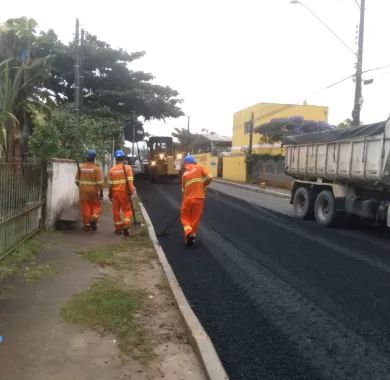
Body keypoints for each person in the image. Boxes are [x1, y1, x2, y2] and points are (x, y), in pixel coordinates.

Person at [180, 154, 213, 246]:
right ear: (194, 162)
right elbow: (210, 176)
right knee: (195, 219)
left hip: (187, 200)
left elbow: (183, 190)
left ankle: (188, 232)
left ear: (186, 164)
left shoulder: (184, 174)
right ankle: (192, 236)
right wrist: (203, 184)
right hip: (199, 199)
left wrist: (185, 200)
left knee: (184, 217)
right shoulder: (200, 168)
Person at [75, 149, 104, 231]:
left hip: (83, 191)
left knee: (85, 208)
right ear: (94, 158)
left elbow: (77, 181)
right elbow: (100, 183)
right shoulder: (97, 168)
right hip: (93, 191)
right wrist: (101, 192)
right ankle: (94, 217)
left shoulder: (81, 168)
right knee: (96, 205)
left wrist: (82, 187)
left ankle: (86, 225)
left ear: (86, 157)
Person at [108, 149, 135, 236]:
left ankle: (118, 229)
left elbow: (110, 185)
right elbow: (130, 182)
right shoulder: (128, 168)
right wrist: (131, 192)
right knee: (127, 210)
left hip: (115, 194)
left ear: (116, 159)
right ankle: (126, 226)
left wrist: (110, 194)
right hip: (125, 193)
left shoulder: (111, 170)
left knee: (116, 211)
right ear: (123, 159)